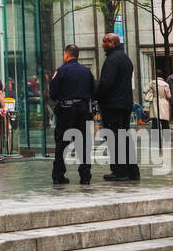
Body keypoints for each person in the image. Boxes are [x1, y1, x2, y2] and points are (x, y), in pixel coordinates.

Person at [96, 33, 138, 181]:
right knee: (125, 137)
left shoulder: (112, 60)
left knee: (115, 138)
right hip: (125, 104)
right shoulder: (125, 58)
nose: (102, 44)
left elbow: (106, 84)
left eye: (104, 41)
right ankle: (132, 170)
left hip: (113, 105)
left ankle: (120, 171)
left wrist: (97, 96)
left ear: (112, 43)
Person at [49, 44, 94, 184]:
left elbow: (53, 92)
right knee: (84, 143)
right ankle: (85, 176)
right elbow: (93, 90)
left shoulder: (61, 71)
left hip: (66, 111)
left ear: (66, 55)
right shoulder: (86, 71)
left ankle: (59, 175)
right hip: (83, 110)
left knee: (62, 143)